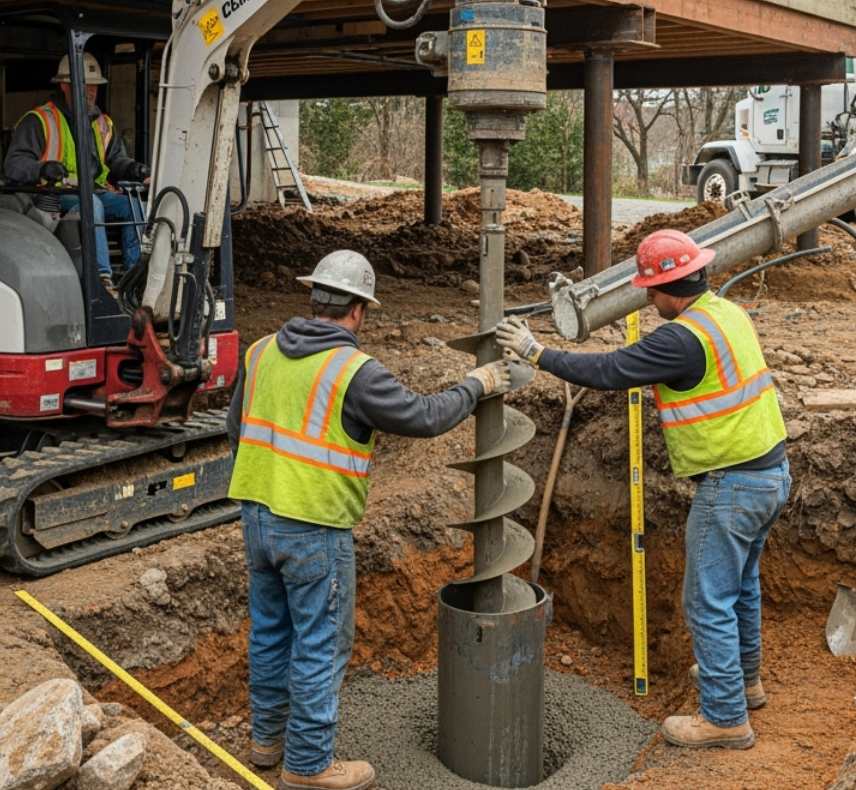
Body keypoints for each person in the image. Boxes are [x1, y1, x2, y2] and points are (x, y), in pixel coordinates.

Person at [226, 250, 520, 790]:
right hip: (314, 526)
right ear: (359, 309)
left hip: (255, 516)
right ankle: (309, 766)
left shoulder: (261, 351)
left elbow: (234, 428)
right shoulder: (352, 371)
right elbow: (425, 416)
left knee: (270, 632)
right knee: (319, 642)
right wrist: (478, 384)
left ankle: (267, 742)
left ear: (314, 297)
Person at [496, 229, 789, 751]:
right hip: (771, 473)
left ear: (672, 285)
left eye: (650, 291)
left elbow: (609, 370)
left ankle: (725, 718)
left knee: (707, 600)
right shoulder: (726, 313)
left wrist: (535, 353)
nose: (647, 299)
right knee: (741, 586)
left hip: (731, 484)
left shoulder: (680, 339)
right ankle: (745, 684)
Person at [1, 51, 150, 285]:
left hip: (95, 192)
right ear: (64, 86)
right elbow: (14, 164)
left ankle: (136, 276)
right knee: (92, 204)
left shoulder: (102, 123)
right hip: (58, 195)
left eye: (95, 86)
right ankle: (100, 278)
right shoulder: (40, 120)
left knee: (135, 206)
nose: (91, 91)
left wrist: (139, 171)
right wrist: (43, 169)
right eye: (85, 85)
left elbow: (117, 160)